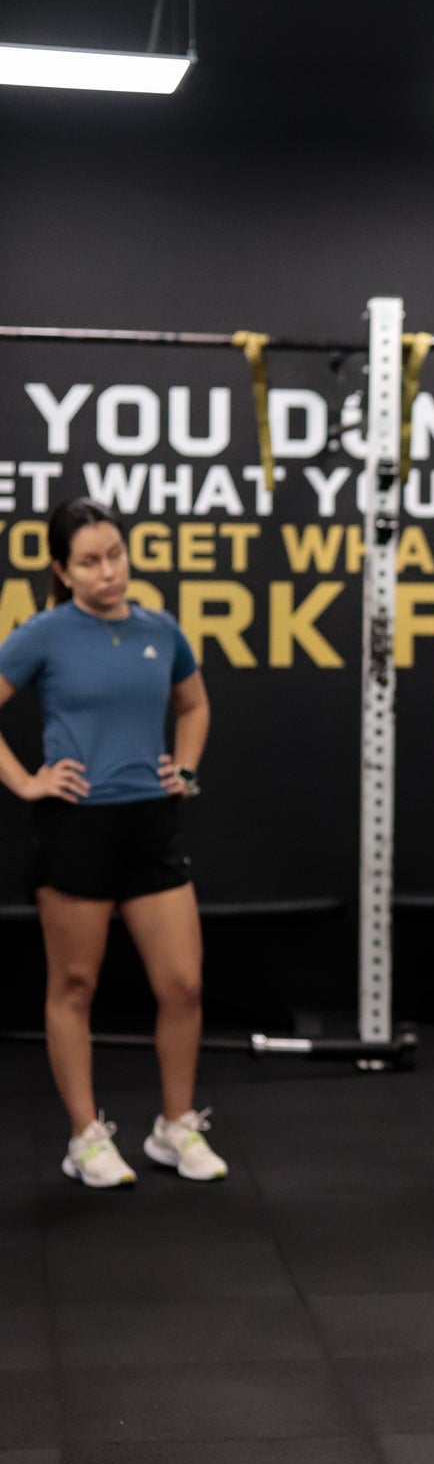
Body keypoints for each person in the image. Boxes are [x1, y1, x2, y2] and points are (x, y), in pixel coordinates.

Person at [0, 499, 226, 1189]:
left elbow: (194, 704)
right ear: (63, 572)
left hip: (151, 827)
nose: (109, 572)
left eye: (116, 556)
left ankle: (175, 1127)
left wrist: (184, 768)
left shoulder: (161, 629)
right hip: (78, 827)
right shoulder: (42, 634)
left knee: (183, 984)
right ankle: (85, 1138)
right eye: (91, 562)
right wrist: (27, 782)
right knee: (75, 984)